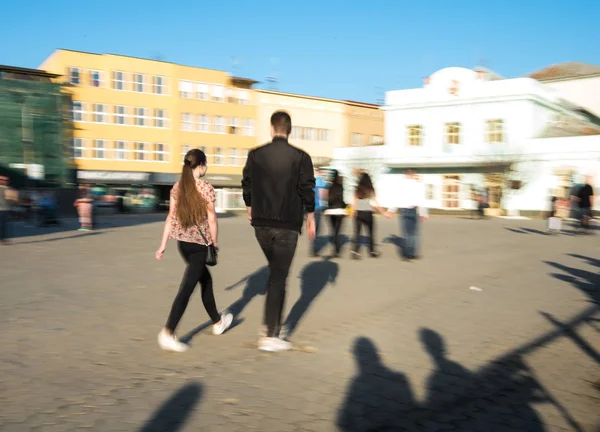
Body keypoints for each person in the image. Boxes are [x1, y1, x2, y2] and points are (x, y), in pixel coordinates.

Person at [242, 110, 316, 352]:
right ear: (290, 130)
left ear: (272, 129)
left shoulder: (255, 155)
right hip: (287, 224)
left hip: (261, 224)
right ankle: (270, 334)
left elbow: (247, 182)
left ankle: (269, 326)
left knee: (276, 272)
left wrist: (250, 206)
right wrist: (311, 215)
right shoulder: (301, 157)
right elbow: (307, 188)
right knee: (279, 276)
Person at [155, 149, 233, 352]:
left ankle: (218, 322)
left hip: (183, 245)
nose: (206, 168)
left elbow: (171, 217)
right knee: (187, 289)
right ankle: (168, 332)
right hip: (199, 247)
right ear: (201, 165)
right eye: (206, 164)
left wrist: (163, 245)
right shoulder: (205, 188)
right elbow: (212, 219)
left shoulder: (177, 187)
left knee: (206, 281)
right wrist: (214, 243)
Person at [351, 172, 390, 259]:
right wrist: (383, 213)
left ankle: (355, 252)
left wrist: (352, 212)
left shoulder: (357, 189)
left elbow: (354, 202)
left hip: (359, 213)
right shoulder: (370, 189)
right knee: (371, 233)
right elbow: (376, 202)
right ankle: (372, 251)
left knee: (357, 233)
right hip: (368, 213)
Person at [396, 169, 428, 261]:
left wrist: (391, 210)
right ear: (413, 175)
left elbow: (397, 198)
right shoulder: (418, 184)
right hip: (414, 210)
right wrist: (423, 213)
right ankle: (413, 253)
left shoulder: (401, 185)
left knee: (406, 233)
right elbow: (422, 199)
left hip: (404, 210)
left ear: (405, 175)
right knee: (414, 234)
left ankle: (406, 254)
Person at [324, 170, 346, 258]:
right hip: (339, 211)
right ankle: (337, 250)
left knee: (333, 230)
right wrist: (345, 206)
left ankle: (334, 247)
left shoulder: (329, 187)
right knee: (337, 231)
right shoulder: (340, 187)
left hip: (330, 211)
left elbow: (327, 200)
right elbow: (341, 199)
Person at [310, 168, 328, 256]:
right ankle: (314, 249)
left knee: (312, 226)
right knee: (317, 228)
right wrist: (325, 206)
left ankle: (312, 245)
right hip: (317, 208)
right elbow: (323, 195)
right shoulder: (321, 181)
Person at [0, 176, 17, 245]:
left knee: (3, 225)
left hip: (5, 209)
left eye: (5, 180)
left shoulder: (8, 189)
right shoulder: (8, 189)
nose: (5, 182)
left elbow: (12, 200)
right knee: (2, 225)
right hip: (3, 209)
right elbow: (13, 199)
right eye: (3, 180)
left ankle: (2, 239)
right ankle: (2, 239)